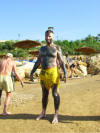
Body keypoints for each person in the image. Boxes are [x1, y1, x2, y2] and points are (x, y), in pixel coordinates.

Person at [30, 30, 67, 124]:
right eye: (46, 36)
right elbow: (38, 61)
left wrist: (65, 73)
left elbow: (61, 61)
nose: (48, 38)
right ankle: (43, 112)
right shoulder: (42, 49)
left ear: (53, 37)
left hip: (53, 73)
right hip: (43, 73)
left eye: (49, 36)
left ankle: (56, 114)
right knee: (44, 95)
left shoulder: (57, 47)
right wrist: (32, 72)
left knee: (55, 94)